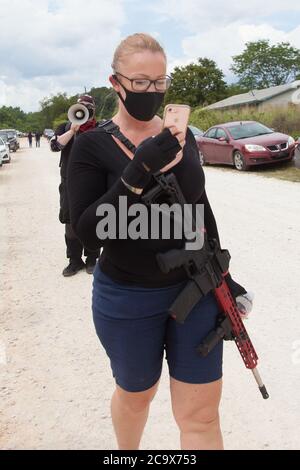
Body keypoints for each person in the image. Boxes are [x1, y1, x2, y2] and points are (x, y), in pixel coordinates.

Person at [67, 33, 251, 450]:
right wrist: (139, 170)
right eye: (140, 82)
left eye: (160, 82)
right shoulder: (92, 145)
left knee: (201, 415)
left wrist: (224, 274)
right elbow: (88, 231)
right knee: (136, 397)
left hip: (194, 287)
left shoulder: (181, 139)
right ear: (116, 83)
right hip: (127, 296)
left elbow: (198, 207)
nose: (152, 91)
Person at [50, 95, 100, 276]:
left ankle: (93, 258)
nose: (84, 109)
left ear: (93, 109)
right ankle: (74, 260)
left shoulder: (100, 128)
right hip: (69, 181)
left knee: (94, 219)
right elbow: (55, 146)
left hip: (94, 181)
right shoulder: (65, 126)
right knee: (70, 221)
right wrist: (72, 130)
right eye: (80, 106)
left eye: (87, 106)